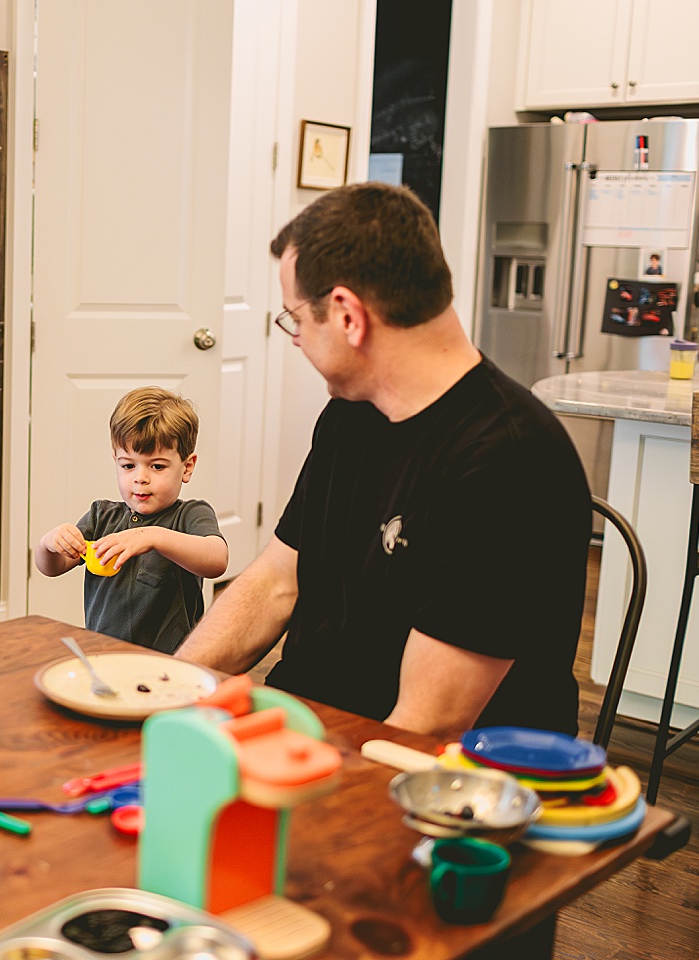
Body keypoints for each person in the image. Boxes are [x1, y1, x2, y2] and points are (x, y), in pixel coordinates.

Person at [176, 183, 589, 738]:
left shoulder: (508, 462)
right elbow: (279, 578)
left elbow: (426, 727)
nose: (294, 337)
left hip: (440, 782)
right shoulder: (353, 412)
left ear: (347, 315)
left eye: (295, 317)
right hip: (314, 732)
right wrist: (170, 688)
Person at [34, 386, 228, 653]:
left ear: (187, 466)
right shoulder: (101, 516)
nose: (140, 477)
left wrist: (153, 537)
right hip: (103, 655)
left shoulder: (190, 515)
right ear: (115, 460)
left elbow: (217, 560)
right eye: (128, 465)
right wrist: (49, 544)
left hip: (168, 664)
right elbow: (52, 567)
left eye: (157, 466)